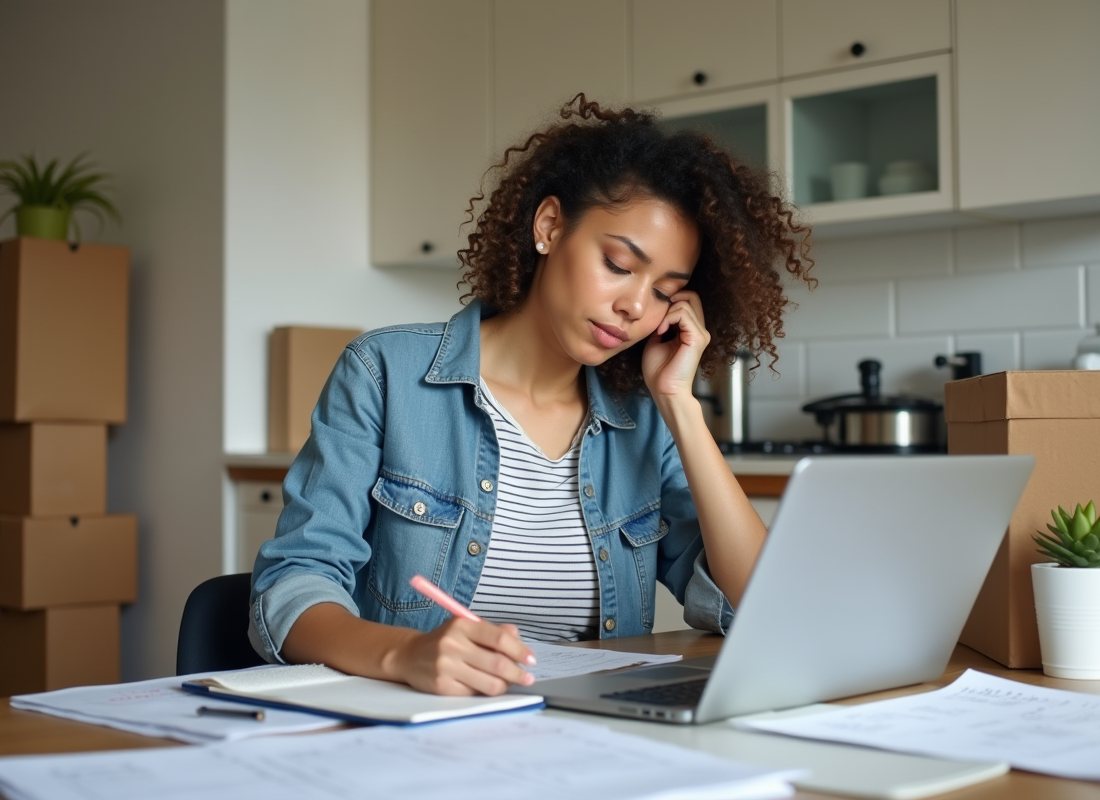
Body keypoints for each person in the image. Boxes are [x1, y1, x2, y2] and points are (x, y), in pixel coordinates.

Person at [248, 94, 815, 696]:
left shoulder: (644, 423)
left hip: (585, 735)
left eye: (664, 292)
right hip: (416, 728)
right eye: (619, 264)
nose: (634, 307)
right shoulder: (386, 372)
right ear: (549, 227)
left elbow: (759, 609)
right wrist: (406, 654)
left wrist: (680, 404)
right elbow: (293, 584)